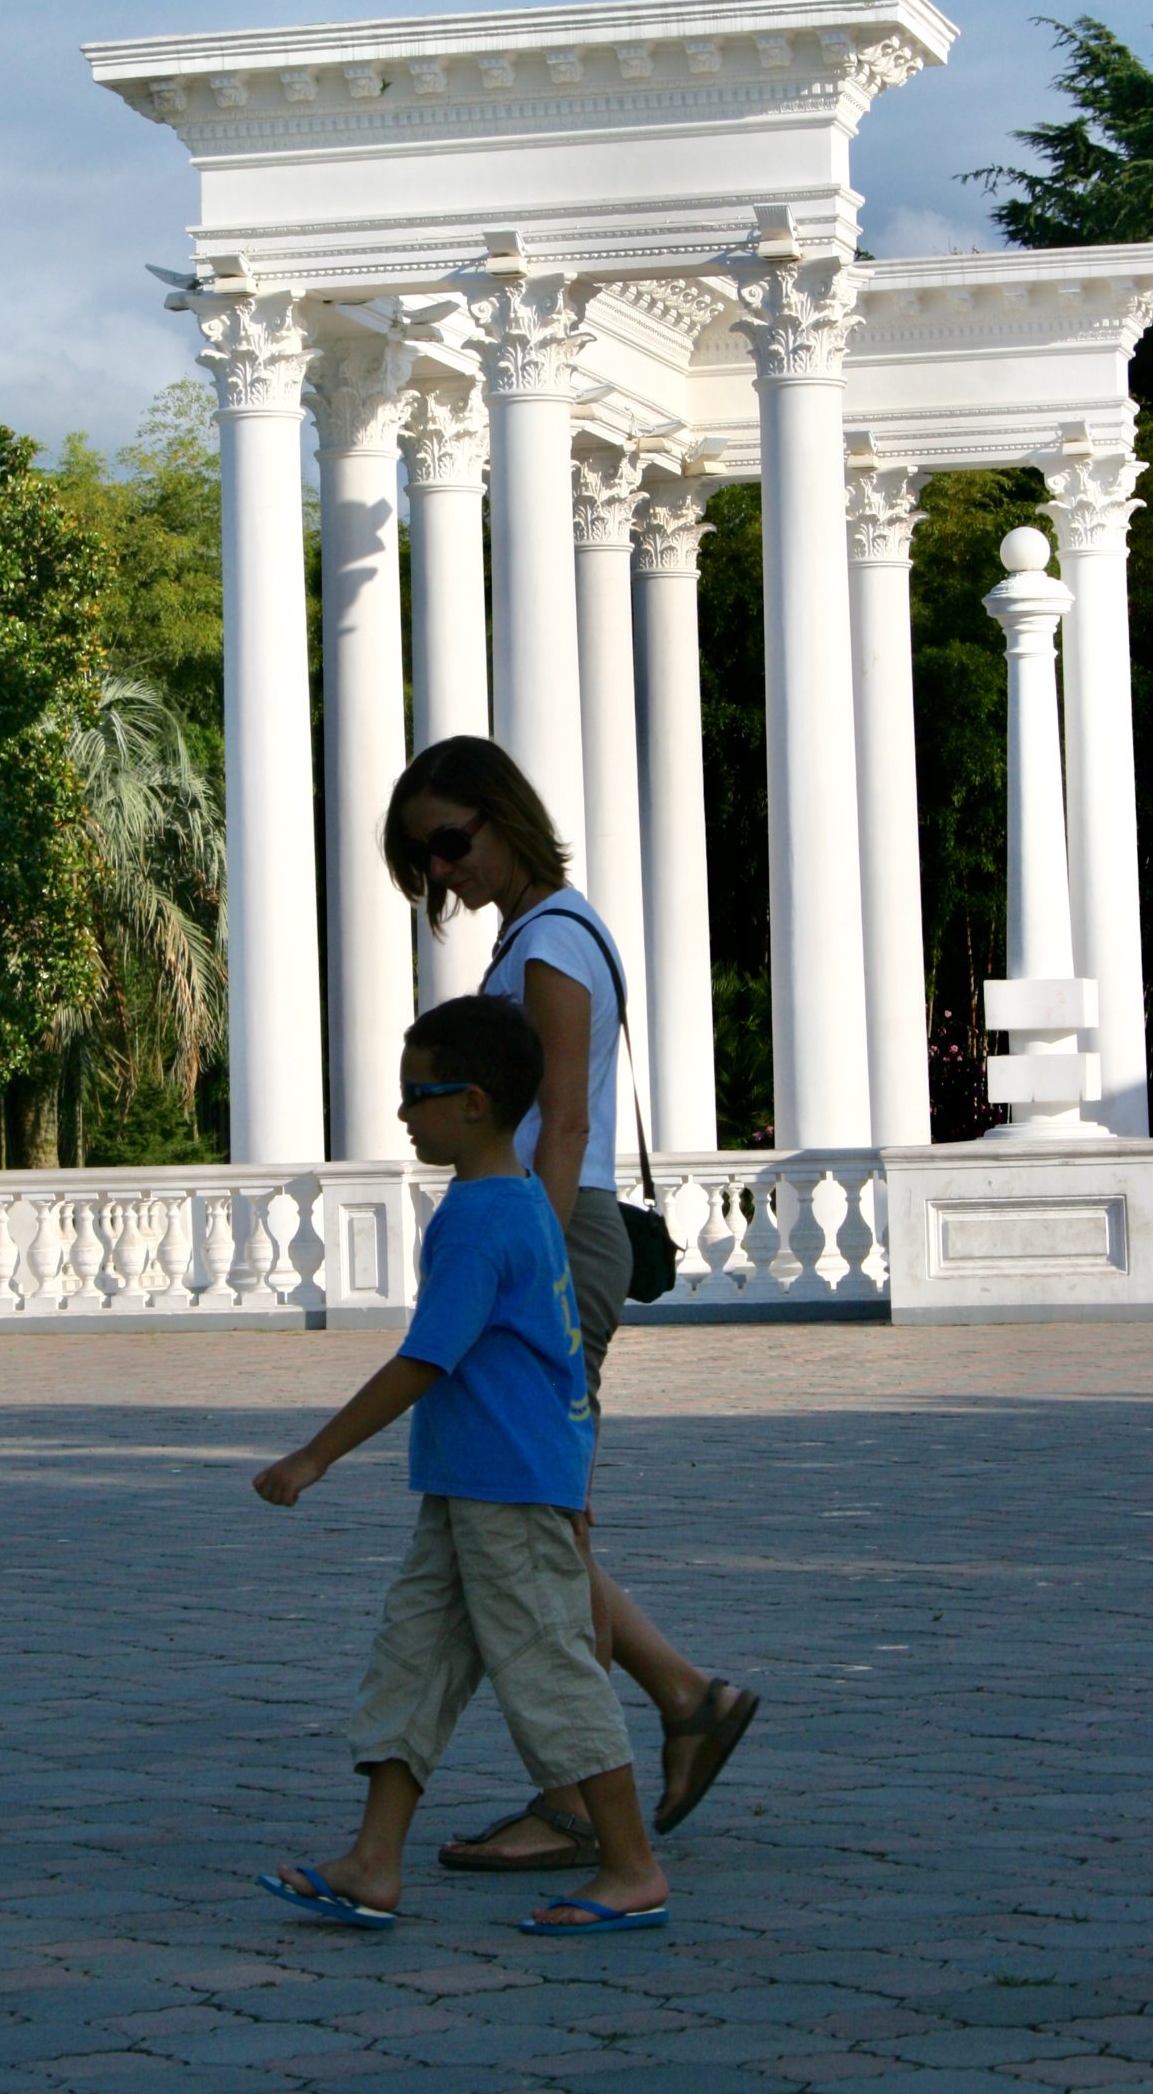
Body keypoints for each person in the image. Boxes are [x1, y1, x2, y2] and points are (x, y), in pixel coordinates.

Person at [384, 736, 758, 1869]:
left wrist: (528, 1273)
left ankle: (586, 1796)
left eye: (451, 842)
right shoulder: (547, 930)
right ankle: (677, 1702)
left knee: (536, 1523)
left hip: (558, 1231)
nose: (444, 871)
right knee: (534, 1515)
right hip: (558, 1230)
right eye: (423, 859)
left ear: (502, 816)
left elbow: (568, 1120)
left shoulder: (550, 940)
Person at [253, 995, 668, 1934]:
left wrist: (314, 1455)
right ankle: (373, 1861)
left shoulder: (484, 1221)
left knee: (549, 1673)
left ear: (472, 1103)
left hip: (507, 1493)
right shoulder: (513, 1205)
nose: (402, 1114)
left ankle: (632, 1866)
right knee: (414, 1662)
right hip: (470, 1487)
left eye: (415, 1095)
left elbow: (422, 1358)